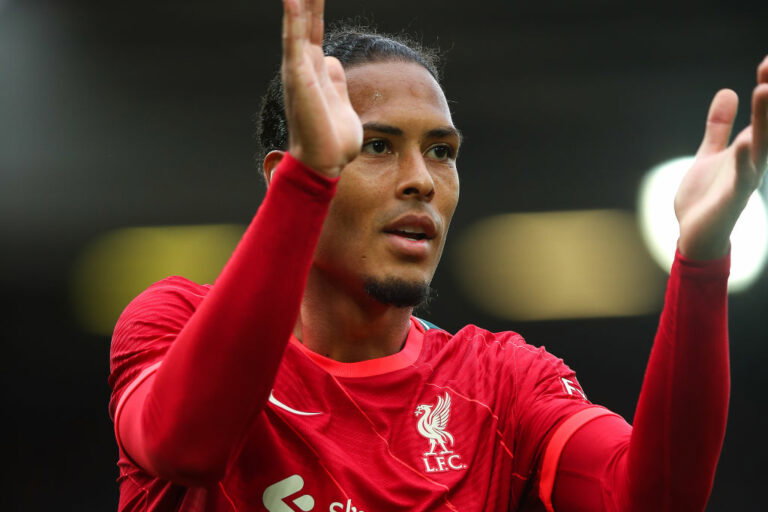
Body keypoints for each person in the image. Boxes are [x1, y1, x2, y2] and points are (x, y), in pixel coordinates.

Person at [107, 0, 768, 510]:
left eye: (442, 152)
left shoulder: (502, 384)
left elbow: (651, 500)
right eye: (376, 146)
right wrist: (309, 179)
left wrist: (702, 261)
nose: (422, 179)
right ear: (289, 170)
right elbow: (186, 448)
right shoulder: (170, 321)